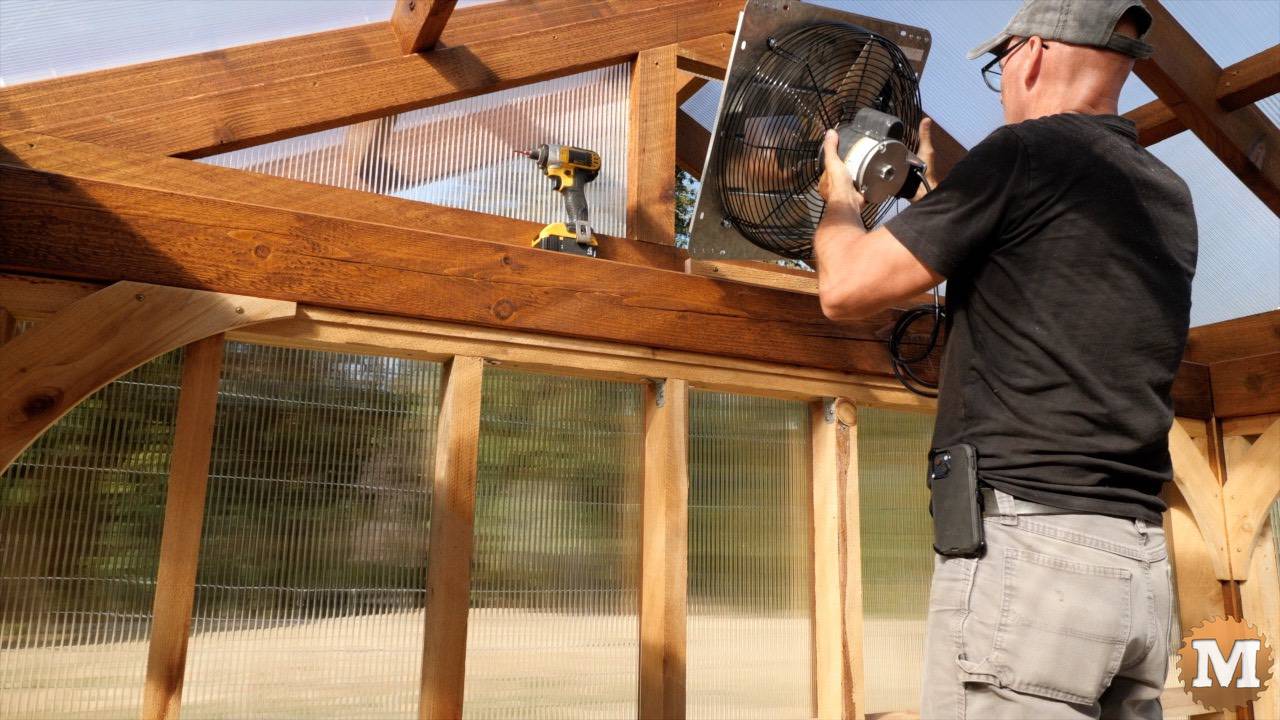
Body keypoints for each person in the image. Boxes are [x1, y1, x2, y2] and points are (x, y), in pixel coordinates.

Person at [814, 0, 1196, 717]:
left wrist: (838, 195)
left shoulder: (1024, 153)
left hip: (1033, 552)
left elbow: (844, 288)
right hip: (1139, 564)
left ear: (1032, 54)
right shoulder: (1164, 194)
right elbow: (1046, 277)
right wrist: (946, 200)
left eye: (999, 66)